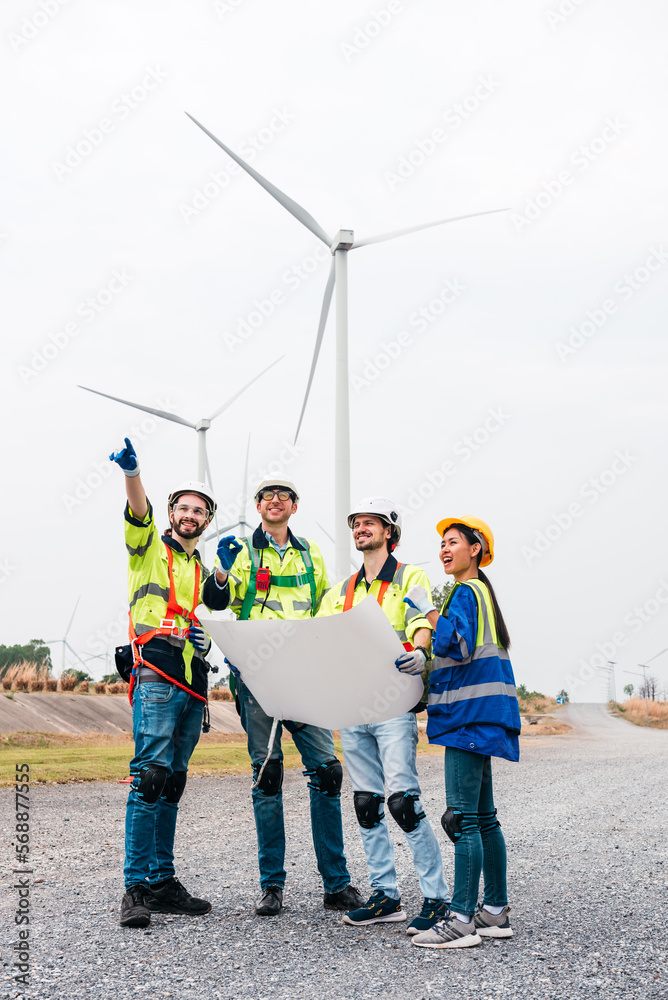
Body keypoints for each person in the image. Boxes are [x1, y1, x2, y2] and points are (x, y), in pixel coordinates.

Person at [202, 479, 364, 917]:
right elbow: (214, 601)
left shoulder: (311, 553)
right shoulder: (240, 553)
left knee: (328, 773)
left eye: (283, 496)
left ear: (295, 505)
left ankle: (337, 884)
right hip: (259, 682)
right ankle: (271, 886)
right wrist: (220, 571)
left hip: (306, 679)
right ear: (257, 506)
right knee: (267, 776)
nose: (275, 501)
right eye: (267, 496)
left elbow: (326, 612)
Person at [110, 437, 228, 929]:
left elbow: (219, 606)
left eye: (198, 510)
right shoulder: (148, 549)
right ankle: (135, 888)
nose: (189, 514)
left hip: (190, 679)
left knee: (172, 783)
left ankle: (161, 882)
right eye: (182, 507)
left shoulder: (199, 567)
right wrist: (132, 475)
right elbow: (138, 513)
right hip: (155, 671)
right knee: (150, 777)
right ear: (172, 512)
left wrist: (223, 570)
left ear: (206, 519)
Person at [318, 497, 450, 935]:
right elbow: (319, 636)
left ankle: (436, 898)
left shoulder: (410, 575)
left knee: (403, 803)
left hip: (392, 702)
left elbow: (419, 620)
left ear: (389, 532)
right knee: (366, 803)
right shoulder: (339, 591)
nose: (360, 529)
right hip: (353, 705)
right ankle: (385, 895)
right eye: (356, 524)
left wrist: (421, 649)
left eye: (369, 523)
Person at [407, 515, 521, 950]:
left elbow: (454, 642)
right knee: (486, 818)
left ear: (475, 549)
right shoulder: (483, 594)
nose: (443, 550)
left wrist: (428, 611)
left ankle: (459, 921)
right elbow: (467, 651)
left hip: (468, 719)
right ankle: (494, 912)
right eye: (441, 544)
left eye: (452, 542)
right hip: (485, 716)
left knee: (462, 819)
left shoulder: (465, 591)